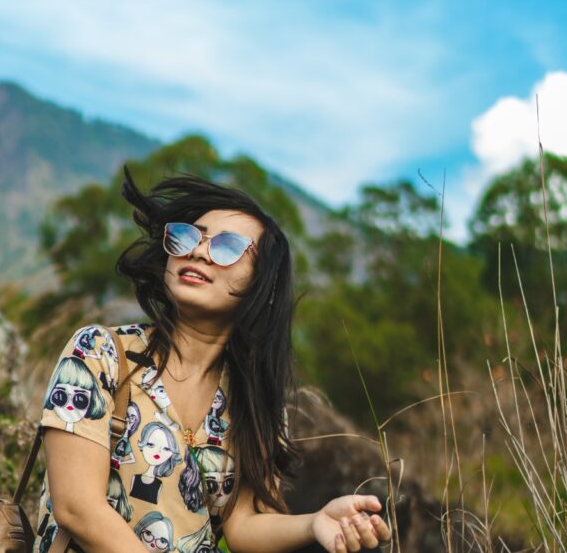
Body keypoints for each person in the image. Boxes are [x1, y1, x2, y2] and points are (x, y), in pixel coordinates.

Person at [33, 170, 392, 552]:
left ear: (262, 282)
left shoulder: (252, 404)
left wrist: (315, 522)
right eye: (188, 237)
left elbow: (243, 527)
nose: (199, 252)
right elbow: (76, 507)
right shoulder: (100, 354)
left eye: (227, 246)